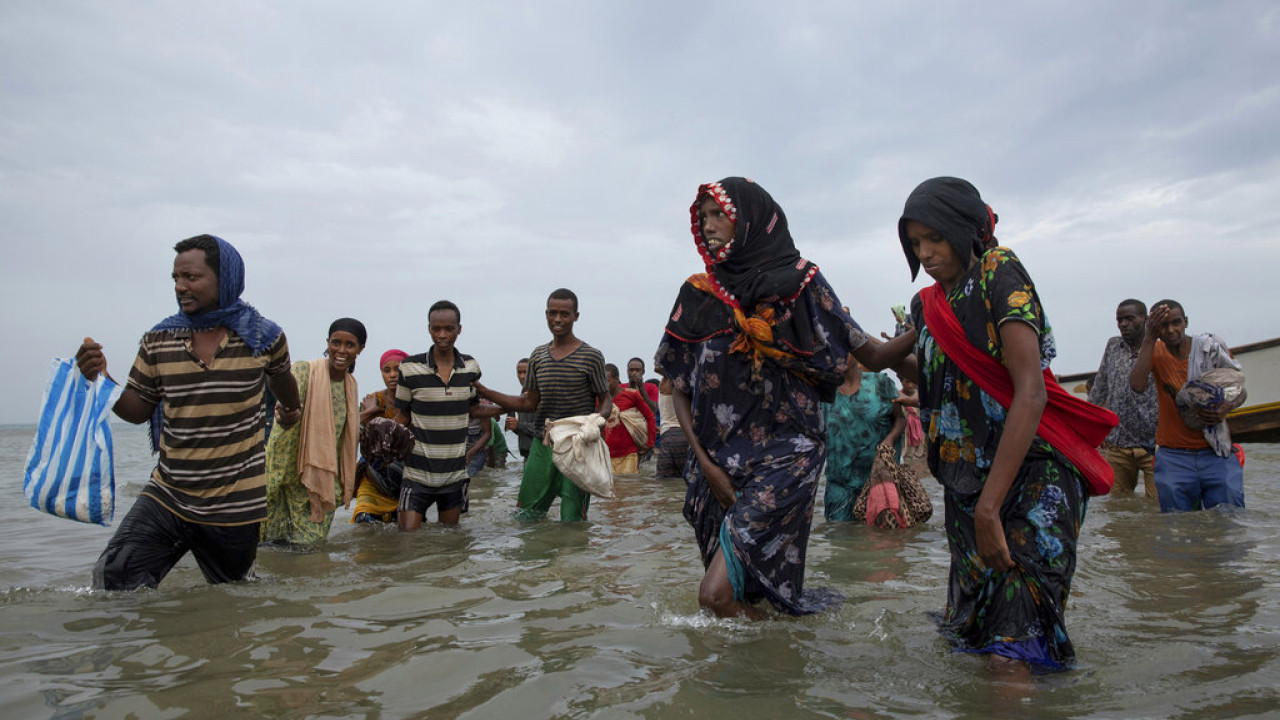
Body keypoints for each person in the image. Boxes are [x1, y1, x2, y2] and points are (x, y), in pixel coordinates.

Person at [655, 177, 914, 618]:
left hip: (784, 458)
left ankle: (777, 648)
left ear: (752, 220)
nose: (708, 225)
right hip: (714, 462)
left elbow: (870, 353)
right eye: (703, 217)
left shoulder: (801, 285)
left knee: (713, 598)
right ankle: (773, 665)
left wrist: (924, 325)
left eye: (720, 214)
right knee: (743, 594)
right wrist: (707, 464)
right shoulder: (698, 295)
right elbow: (680, 387)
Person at [888, 176, 1113, 672]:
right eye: (914, 243)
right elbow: (910, 364)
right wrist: (815, 313)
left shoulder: (999, 272)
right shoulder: (928, 308)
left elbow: (1028, 391)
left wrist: (991, 510)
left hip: (1031, 474)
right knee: (976, 639)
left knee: (1011, 648)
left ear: (963, 229)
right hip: (967, 489)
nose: (925, 252)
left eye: (935, 238)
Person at [75, 234, 300, 590]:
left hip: (235, 503)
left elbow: (282, 379)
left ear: (223, 279)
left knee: (232, 599)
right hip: (169, 494)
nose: (181, 287)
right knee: (114, 579)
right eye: (176, 278)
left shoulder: (263, 337)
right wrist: (102, 379)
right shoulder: (158, 340)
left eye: (191, 278)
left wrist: (291, 409)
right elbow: (136, 409)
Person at [475, 288, 614, 522]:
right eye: (552, 313)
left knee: (573, 520)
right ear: (546, 314)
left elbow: (605, 398)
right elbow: (528, 403)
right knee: (526, 515)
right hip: (543, 443)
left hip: (577, 444)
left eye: (564, 314)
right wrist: (484, 391)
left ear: (575, 316)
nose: (557, 319)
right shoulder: (538, 356)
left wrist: (598, 420)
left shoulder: (591, 356)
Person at [1129, 300, 1245, 512]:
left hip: (1215, 453)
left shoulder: (1209, 349)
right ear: (1154, 327)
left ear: (1186, 322)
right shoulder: (1154, 351)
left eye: (1177, 323)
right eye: (1163, 325)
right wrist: (1149, 337)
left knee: (1229, 522)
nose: (1171, 330)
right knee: (1177, 528)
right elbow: (1136, 385)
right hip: (1174, 455)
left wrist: (1224, 409)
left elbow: (1240, 390)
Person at [261, 319, 365, 546]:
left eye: (350, 345)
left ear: (360, 350)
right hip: (287, 473)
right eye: (336, 343)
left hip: (322, 481)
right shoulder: (304, 371)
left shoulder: (351, 385)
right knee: (272, 546)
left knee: (310, 549)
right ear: (327, 343)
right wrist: (275, 480)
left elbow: (341, 440)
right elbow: (282, 433)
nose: (341, 350)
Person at [393, 300, 484, 530]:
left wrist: (514, 405)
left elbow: (474, 409)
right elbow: (403, 415)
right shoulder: (409, 367)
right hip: (416, 473)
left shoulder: (471, 367)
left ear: (459, 329)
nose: (442, 335)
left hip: (454, 475)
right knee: (407, 540)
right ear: (429, 329)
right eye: (436, 329)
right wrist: (380, 434)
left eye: (449, 329)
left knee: (449, 543)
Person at [1088, 300, 1159, 499]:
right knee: (1118, 506)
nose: (1123, 324)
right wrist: (1087, 427)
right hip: (1118, 442)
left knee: (1157, 505)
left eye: (1130, 319)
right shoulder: (1113, 346)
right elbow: (1100, 386)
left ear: (1145, 320)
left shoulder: (1158, 348)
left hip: (1154, 443)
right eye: (1120, 320)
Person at [822, 355, 907, 521]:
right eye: (834, 350)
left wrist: (890, 439)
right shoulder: (824, 388)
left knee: (881, 538)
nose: (839, 355)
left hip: (879, 479)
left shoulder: (880, 382)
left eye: (844, 350)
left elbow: (900, 418)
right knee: (839, 538)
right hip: (840, 483)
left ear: (856, 353)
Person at [351, 349, 408, 523]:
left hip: (406, 476)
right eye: (387, 370)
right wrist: (370, 412)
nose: (392, 375)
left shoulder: (416, 401)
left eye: (398, 370)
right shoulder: (374, 400)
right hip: (374, 475)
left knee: (404, 531)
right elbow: (355, 434)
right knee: (365, 523)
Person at [603, 363, 657, 474]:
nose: (605, 385)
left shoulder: (631, 395)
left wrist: (650, 443)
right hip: (606, 454)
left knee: (630, 488)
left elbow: (650, 417)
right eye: (602, 381)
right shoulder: (600, 399)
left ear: (617, 379)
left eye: (607, 381)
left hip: (629, 454)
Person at [655, 376, 690, 479]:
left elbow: (662, 369)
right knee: (687, 480)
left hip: (669, 438)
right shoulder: (691, 385)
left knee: (664, 483)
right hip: (688, 437)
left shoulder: (665, 384)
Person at [503, 358, 538, 460]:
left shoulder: (541, 397)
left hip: (540, 455)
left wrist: (518, 425)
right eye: (519, 373)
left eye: (525, 372)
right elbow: (521, 429)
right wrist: (512, 425)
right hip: (527, 454)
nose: (522, 376)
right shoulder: (521, 397)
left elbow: (544, 429)